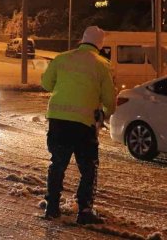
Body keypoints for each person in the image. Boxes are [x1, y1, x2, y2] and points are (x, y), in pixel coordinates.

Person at [40, 25, 115, 225]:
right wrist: (104, 114)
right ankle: (84, 210)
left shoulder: (61, 58)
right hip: (84, 126)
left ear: (82, 40)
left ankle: (52, 208)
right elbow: (110, 101)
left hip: (58, 121)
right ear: (100, 45)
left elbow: (46, 84)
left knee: (57, 164)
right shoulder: (102, 64)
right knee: (88, 168)